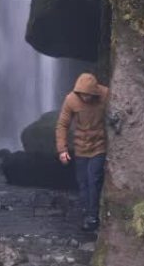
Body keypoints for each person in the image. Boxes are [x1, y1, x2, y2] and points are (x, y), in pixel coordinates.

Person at [55, 73, 109, 231]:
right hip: (80, 148)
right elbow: (62, 125)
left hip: (99, 145)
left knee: (94, 179)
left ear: (95, 93)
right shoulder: (71, 100)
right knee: (83, 183)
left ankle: (93, 216)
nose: (86, 98)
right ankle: (87, 212)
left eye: (89, 95)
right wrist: (62, 150)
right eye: (83, 95)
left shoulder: (105, 95)